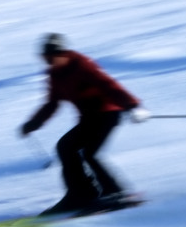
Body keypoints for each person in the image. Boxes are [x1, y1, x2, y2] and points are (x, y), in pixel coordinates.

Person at [20, 33, 150, 215]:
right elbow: (52, 103)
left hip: (107, 114)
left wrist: (133, 106)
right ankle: (80, 194)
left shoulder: (82, 65)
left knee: (90, 153)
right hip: (89, 119)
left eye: (52, 57)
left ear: (63, 53)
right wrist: (34, 123)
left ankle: (115, 194)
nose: (49, 62)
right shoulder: (55, 74)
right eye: (45, 58)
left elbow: (108, 85)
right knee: (65, 147)